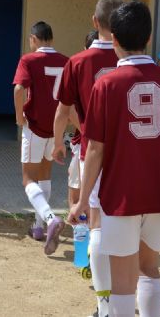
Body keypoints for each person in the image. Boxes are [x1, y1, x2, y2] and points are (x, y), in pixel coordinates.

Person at [68, 2, 160, 317]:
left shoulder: (106, 84)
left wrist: (79, 202)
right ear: (148, 38)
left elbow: (95, 148)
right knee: (149, 268)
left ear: (113, 39)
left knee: (122, 282)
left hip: (121, 194)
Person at [53, 0, 123, 317]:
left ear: (95, 23)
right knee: (124, 227)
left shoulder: (78, 62)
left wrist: (57, 143)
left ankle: (104, 304)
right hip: (127, 152)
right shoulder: (133, 59)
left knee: (93, 218)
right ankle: (121, 299)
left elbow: (63, 111)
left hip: (89, 147)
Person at [13, 21, 68, 251]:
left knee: (28, 179)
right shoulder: (66, 60)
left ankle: (48, 218)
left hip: (34, 126)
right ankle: (38, 226)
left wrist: (19, 117)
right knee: (45, 175)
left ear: (33, 39)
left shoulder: (29, 59)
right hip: (56, 127)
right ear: (51, 39)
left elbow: (18, 88)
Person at [67, 30, 98, 210]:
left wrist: (87, 132)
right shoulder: (116, 67)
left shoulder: (78, 65)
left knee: (77, 190)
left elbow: (68, 110)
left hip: (85, 142)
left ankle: (82, 232)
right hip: (107, 142)